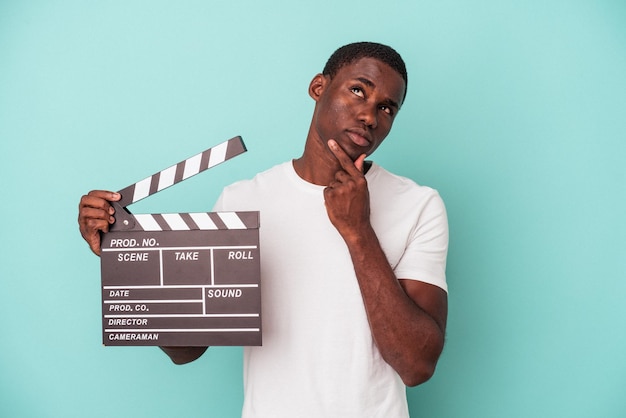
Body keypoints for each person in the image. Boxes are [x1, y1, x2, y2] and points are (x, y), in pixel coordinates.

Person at [78, 42, 449, 417]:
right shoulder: (243, 201)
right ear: (318, 87)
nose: (370, 116)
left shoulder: (418, 205)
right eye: (358, 90)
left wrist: (357, 232)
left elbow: (417, 365)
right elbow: (187, 350)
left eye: (387, 108)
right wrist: (126, 254)